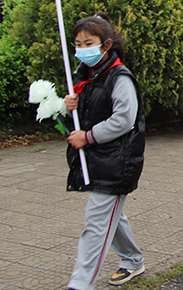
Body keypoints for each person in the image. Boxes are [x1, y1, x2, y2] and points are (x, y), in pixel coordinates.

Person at [63, 14, 146, 290]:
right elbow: (89, 112)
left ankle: (80, 284)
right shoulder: (86, 76)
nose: (82, 49)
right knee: (112, 215)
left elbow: (125, 119)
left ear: (106, 44)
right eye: (78, 44)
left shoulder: (119, 77)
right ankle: (133, 260)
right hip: (97, 159)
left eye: (89, 43)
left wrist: (87, 137)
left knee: (96, 224)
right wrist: (70, 105)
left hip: (116, 162)